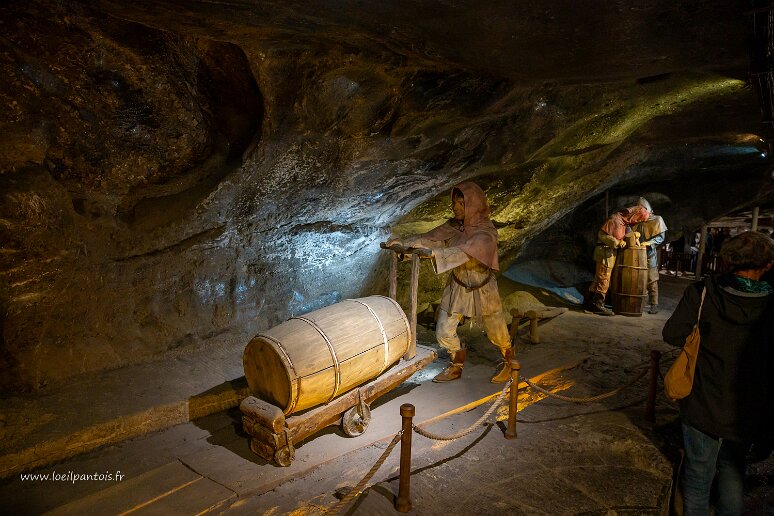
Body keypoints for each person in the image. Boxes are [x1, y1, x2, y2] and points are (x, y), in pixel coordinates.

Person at [662, 231, 774, 515]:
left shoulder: (702, 293)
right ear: (768, 265)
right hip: (745, 409)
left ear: (727, 261)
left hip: (702, 403)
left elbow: (673, 334)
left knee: (698, 477)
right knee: (733, 474)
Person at [386, 181, 513, 383]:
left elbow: (462, 252)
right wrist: (405, 244)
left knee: (497, 333)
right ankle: (457, 363)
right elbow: (429, 239)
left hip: (483, 288)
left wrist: (433, 254)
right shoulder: (454, 227)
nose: (455, 208)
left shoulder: (486, 233)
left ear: (473, 205)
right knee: (444, 331)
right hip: (458, 286)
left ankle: (510, 364)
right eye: (454, 203)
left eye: (461, 204)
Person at [585, 203, 651, 315]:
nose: (638, 221)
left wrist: (635, 236)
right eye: (639, 219)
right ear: (635, 214)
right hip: (605, 252)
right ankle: (598, 304)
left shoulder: (625, 223)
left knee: (599, 278)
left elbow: (629, 235)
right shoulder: (615, 219)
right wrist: (617, 242)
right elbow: (602, 235)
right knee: (603, 279)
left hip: (609, 253)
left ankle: (588, 303)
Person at [633, 197, 668, 314]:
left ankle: (654, 304)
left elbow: (661, 238)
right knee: (638, 280)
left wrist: (649, 243)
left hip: (649, 254)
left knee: (651, 280)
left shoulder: (657, 220)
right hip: (637, 254)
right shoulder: (638, 220)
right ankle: (641, 302)